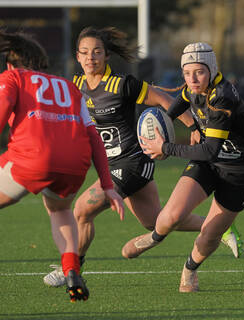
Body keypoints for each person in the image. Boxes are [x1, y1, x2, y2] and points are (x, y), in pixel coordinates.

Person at [43, 28, 243, 287]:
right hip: (113, 164)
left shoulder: (121, 83)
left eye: (97, 52)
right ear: (77, 57)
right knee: (155, 222)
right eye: (84, 53)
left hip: (134, 162)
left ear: (106, 56)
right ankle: (219, 226)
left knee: (82, 210)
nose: (90, 57)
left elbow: (162, 98)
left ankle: (72, 269)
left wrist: (193, 127)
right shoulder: (76, 85)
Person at [122, 42, 244, 292]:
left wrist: (164, 148)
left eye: (199, 72)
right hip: (207, 165)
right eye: (187, 73)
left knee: (209, 235)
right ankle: (154, 238)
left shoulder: (222, 98)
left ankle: (190, 269)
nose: (193, 79)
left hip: (238, 172)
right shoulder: (192, 89)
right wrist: (166, 122)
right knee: (169, 216)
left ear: (212, 70)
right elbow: (178, 105)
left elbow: (209, 150)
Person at [0, 30, 124, 302]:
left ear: (11, 63)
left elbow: (2, 108)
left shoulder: (12, 77)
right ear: (42, 63)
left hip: (33, 158)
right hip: (73, 164)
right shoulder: (70, 88)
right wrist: (107, 186)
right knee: (60, 210)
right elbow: (93, 136)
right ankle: (71, 270)